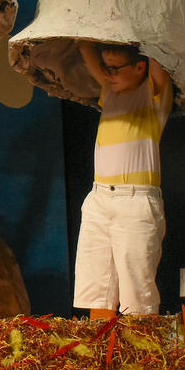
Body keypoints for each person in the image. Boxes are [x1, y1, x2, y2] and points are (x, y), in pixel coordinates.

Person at [74, 40, 173, 319]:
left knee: (137, 296)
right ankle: (99, 344)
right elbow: (85, 49)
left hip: (135, 200)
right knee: (97, 288)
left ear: (139, 67)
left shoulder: (152, 95)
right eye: (106, 68)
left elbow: (158, 54)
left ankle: (139, 346)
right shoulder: (110, 92)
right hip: (99, 198)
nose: (108, 75)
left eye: (115, 68)